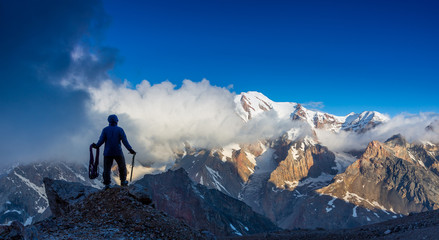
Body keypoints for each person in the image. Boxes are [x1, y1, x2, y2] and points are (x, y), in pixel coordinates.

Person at [92, 114, 136, 189]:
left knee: (107, 168)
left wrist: (96, 146)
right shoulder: (120, 130)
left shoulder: (105, 130)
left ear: (108, 121)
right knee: (122, 166)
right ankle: (123, 181)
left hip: (107, 152)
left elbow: (101, 140)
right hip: (118, 152)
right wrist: (130, 149)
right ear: (117, 121)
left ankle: (107, 184)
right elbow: (125, 141)